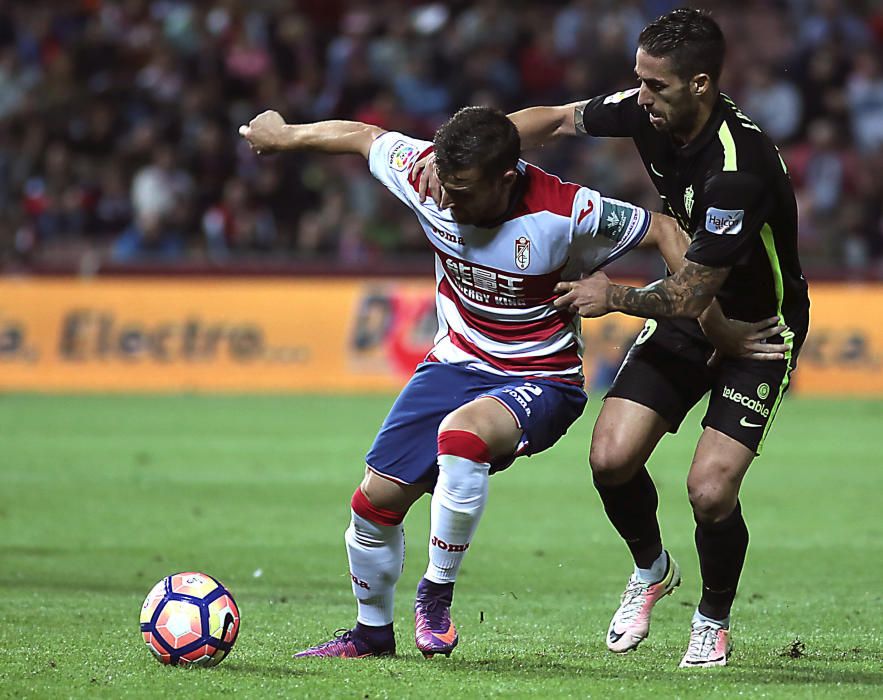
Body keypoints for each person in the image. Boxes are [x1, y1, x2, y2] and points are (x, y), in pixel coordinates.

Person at [239, 104, 780, 660]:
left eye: (464, 191)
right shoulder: (427, 175)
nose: (447, 202)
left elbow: (664, 228)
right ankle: (372, 635)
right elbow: (361, 136)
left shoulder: (567, 211)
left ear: (505, 179)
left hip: (542, 377)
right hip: (455, 363)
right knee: (373, 505)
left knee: (463, 437)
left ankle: (436, 594)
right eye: (444, 186)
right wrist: (283, 137)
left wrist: (712, 323)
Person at [415, 7, 808, 669]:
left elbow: (690, 292)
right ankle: (651, 569)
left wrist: (613, 296)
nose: (639, 95)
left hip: (756, 327)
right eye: (638, 80)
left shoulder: (736, 169)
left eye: (654, 85)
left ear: (701, 84)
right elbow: (557, 118)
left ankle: (711, 619)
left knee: (710, 491)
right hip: (690, 313)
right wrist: (467, 154)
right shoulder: (646, 109)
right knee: (610, 459)